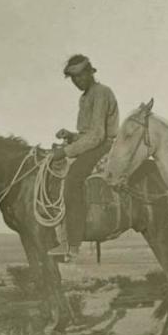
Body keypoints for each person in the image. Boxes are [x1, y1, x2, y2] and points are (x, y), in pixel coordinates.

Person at [49, 54, 119, 259]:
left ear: (90, 72)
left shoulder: (102, 93)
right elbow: (87, 134)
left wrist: (65, 151)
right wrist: (71, 136)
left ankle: (72, 245)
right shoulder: (85, 97)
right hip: (93, 144)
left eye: (81, 76)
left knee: (72, 180)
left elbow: (97, 136)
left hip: (103, 146)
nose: (77, 81)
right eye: (73, 78)